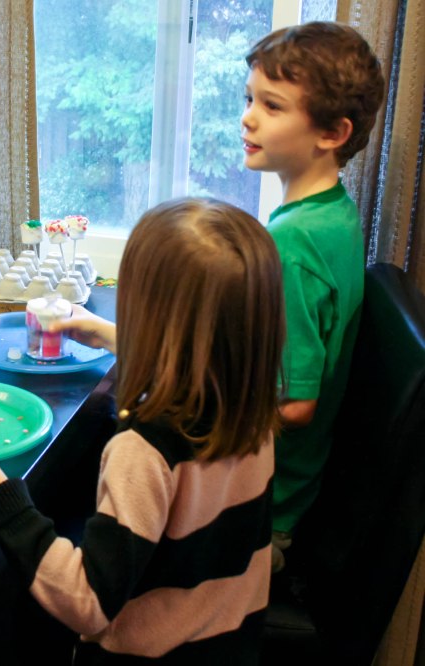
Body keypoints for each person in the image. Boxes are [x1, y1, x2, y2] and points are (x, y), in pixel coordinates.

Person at [0, 198, 285, 664]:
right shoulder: (252, 409)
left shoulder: (145, 449)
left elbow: (88, 604)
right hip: (228, 645)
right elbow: (202, 358)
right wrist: (113, 335)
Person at [242, 21, 385, 569]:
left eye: (272, 106)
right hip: (291, 493)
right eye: (250, 99)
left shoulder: (293, 243)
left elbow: (295, 406)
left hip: (261, 513)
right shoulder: (334, 215)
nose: (249, 117)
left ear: (332, 133)